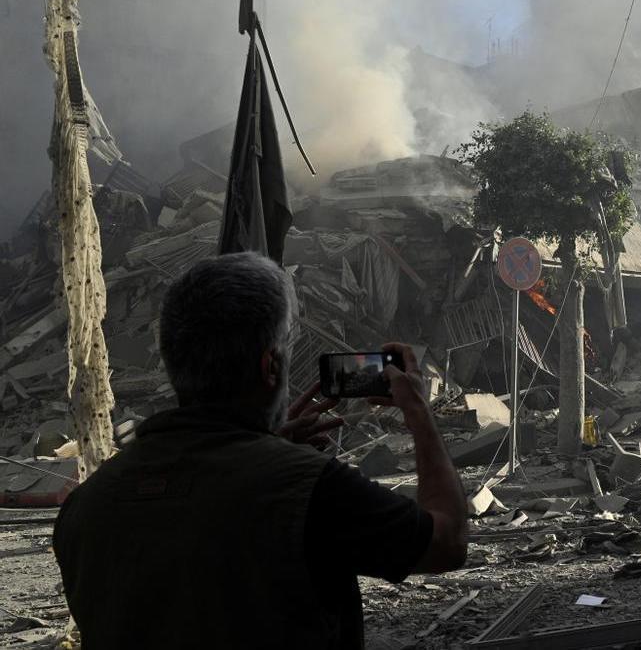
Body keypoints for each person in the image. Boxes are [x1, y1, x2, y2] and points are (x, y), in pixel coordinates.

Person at [53, 252, 467, 649]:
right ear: (270, 367)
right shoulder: (311, 489)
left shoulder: (85, 507)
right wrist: (418, 412)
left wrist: (266, 448)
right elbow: (446, 540)